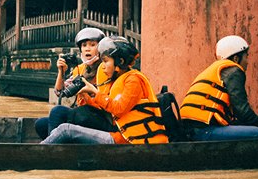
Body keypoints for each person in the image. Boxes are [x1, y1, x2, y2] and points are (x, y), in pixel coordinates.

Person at [40, 36, 169, 145]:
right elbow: (103, 108)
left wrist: (96, 93)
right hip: (117, 130)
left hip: (126, 137)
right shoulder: (116, 78)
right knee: (45, 123)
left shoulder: (133, 80)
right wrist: (87, 95)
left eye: (106, 61)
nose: (103, 66)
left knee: (65, 130)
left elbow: (118, 108)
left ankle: (47, 153)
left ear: (120, 62)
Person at [179, 35, 258, 140]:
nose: (247, 61)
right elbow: (242, 110)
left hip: (190, 129)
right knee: (257, 132)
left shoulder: (215, 70)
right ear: (236, 58)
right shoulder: (233, 71)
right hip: (203, 130)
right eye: (246, 56)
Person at [34, 27, 114, 138]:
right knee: (41, 124)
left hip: (100, 117)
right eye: (84, 45)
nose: (87, 49)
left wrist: (92, 92)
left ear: (100, 48)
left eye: (92, 45)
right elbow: (60, 93)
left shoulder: (107, 68)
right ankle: (63, 148)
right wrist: (61, 71)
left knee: (58, 111)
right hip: (82, 115)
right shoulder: (80, 69)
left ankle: (52, 151)